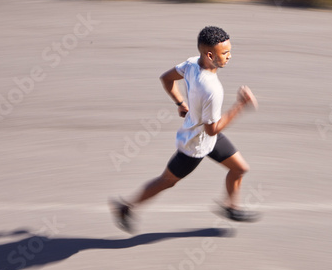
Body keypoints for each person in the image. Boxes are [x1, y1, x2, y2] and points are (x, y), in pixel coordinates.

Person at [110, 26, 259, 232]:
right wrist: (240, 106)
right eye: (225, 53)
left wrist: (180, 103)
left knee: (240, 168)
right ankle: (126, 207)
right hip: (195, 144)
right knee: (167, 181)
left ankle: (230, 207)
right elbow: (212, 130)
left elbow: (167, 79)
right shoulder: (212, 89)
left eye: (229, 51)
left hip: (206, 136)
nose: (229, 56)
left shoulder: (191, 63)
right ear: (209, 55)